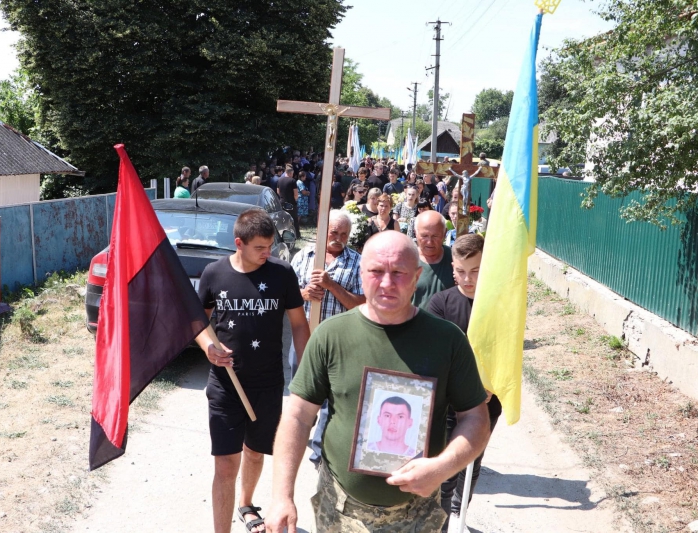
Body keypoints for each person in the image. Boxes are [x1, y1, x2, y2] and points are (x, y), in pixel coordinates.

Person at [265, 231, 490, 533]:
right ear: (361, 273)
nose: (386, 283)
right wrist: (282, 496)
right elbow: (298, 415)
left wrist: (442, 467)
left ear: (417, 277)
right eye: (376, 271)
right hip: (339, 510)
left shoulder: (448, 340)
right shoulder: (331, 335)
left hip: (418, 515)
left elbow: (475, 418)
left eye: (398, 272)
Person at [196, 209, 311, 533]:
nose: (268, 253)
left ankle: (246, 505)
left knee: (256, 452)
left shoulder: (282, 274)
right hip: (225, 385)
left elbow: (299, 325)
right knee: (225, 465)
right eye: (261, 247)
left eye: (271, 246)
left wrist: (306, 371)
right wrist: (208, 347)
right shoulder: (214, 274)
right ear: (239, 243)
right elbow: (198, 321)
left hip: (268, 384)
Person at [427, 234, 502, 524]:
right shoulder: (441, 304)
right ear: (452, 267)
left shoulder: (499, 306)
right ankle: (441, 520)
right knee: (446, 464)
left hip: (486, 402)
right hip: (449, 404)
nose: (467, 279)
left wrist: (491, 386)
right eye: (460, 271)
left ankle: (459, 515)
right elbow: (434, 355)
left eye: (475, 271)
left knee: (473, 461)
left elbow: (506, 351)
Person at [290, 210, 366, 465]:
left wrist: (331, 285)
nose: (339, 238)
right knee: (301, 394)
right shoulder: (304, 256)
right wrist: (303, 293)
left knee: (331, 399)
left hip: (340, 343)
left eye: (344, 234)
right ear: (324, 232)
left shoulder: (357, 262)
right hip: (304, 338)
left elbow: (362, 304)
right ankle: (296, 439)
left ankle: (319, 453)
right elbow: (286, 295)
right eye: (334, 232)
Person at [411, 210, 454, 310]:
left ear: (445, 233)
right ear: (415, 233)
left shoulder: (455, 259)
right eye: (424, 236)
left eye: (435, 236)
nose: (429, 242)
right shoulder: (406, 260)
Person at [278, 166, 301, 240]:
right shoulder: (292, 181)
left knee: (283, 219)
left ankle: (282, 235)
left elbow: (278, 191)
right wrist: (295, 200)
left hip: (282, 202)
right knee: (294, 219)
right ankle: (297, 235)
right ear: (290, 173)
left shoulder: (280, 180)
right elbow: (296, 194)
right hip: (291, 203)